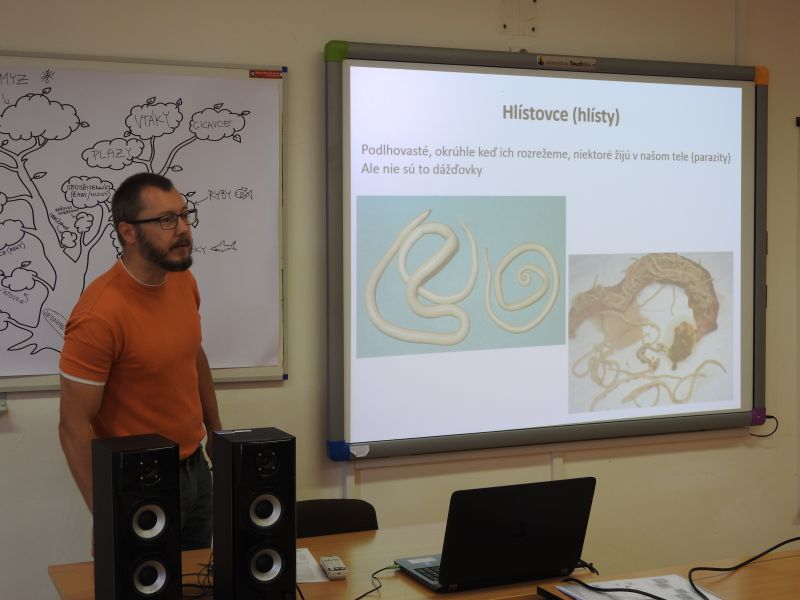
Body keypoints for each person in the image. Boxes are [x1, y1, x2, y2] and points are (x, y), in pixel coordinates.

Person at [58, 172, 222, 550]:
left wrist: (215, 431)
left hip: (196, 469)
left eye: (184, 215)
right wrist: (108, 514)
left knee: (196, 577)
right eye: (166, 220)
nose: (183, 229)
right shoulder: (99, 314)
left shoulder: (182, 280)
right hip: (140, 482)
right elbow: (72, 426)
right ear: (128, 232)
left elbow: (193, 354)